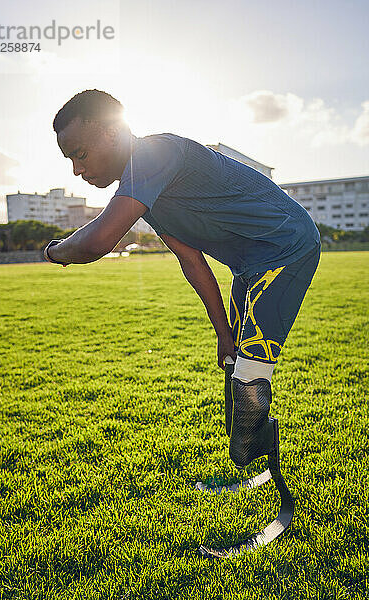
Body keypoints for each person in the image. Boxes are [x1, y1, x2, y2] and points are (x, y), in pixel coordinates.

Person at [44, 89, 321, 468]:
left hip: (287, 246)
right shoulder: (144, 188)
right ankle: (250, 458)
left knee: (252, 369)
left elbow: (98, 241)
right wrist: (222, 332)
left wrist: (54, 250)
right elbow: (191, 261)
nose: (77, 170)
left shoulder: (154, 154)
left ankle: (250, 455)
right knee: (235, 361)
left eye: (80, 154)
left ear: (111, 131)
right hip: (250, 265)